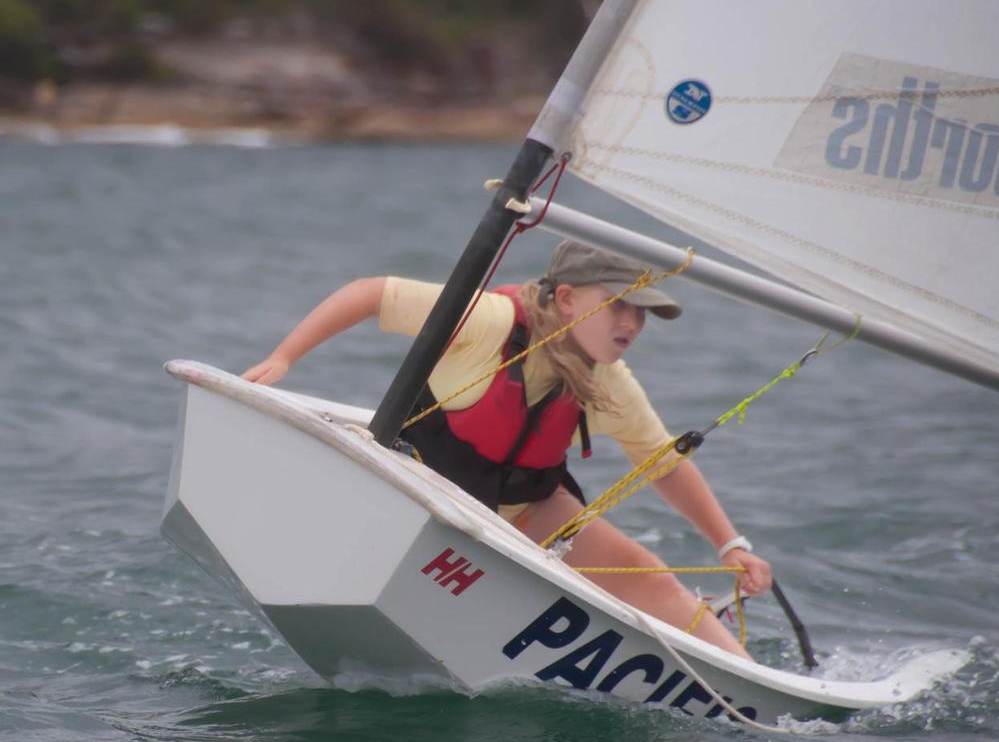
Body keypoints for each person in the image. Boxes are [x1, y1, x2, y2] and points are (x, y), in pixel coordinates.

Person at [243, 240, 772, 660]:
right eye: (619, 305)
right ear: (566, 298)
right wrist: (284, 357)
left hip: (519, 512)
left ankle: (748, 682)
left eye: (643, 311)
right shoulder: (491, 322)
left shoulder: (605, 381)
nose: (632, 324)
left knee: (645, 575)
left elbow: (662, 462)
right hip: (417, 495)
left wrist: (731, 546)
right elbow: (372, 293)